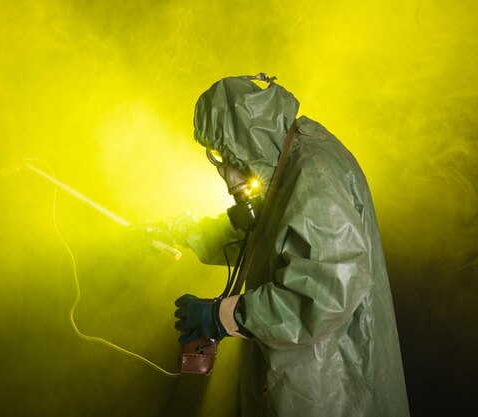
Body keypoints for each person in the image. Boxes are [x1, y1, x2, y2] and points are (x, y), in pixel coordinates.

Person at [169, 74, 410, 417]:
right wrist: (183, 234)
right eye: (220, 162)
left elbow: (323, 295)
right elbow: (273, 241)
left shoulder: (314, 176)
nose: (228, 180)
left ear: (247, 142)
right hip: (305, 379)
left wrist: (223, 315)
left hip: (328, 391)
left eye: (230, 161)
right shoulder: (287, 157)